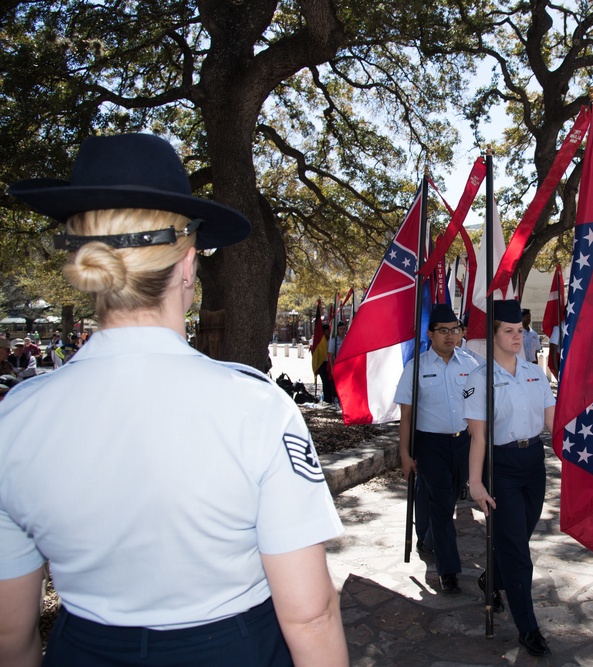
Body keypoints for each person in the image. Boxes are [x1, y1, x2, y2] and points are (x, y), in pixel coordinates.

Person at [1, 133, 349, 667]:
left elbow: (10, 632)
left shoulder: (15, 419)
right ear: (187, 266)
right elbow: (310, 614)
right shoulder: (255, 409)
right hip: (234, 649)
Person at [465, 299, 556, 657]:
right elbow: (478, 437)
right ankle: (528, 628)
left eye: (520, 330)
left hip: (534, 462)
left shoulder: (535, 372)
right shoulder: (479, 378)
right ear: (493, 335)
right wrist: (475, 483)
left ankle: (493, 579)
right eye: (509, 331)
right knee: (518, 550)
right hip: (500, 466)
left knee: (519, 535)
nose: (518, 336)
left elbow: (552, 423)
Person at [394, 305, 480, 594]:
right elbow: (406, 415)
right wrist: (405, 454)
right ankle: (448, 570)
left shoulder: (470, 364)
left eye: (454, 330)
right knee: (443, 504)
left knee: (450, 499)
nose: (449, 336)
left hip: (462, 443)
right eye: (443, 331)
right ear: (430, 334)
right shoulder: (416, 367)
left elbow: (477, 402)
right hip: (429, 444)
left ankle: (430, 539)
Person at [326, 320, 347, 406]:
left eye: (344, 329)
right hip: (337, 364)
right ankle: (337, 398)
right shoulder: (334, 341)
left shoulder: (347, 339)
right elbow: (330, 356)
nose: (342, 331)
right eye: (341, 329)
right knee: (337, 383)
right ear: (338, 330)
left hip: (346, 365)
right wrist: (331, 367)